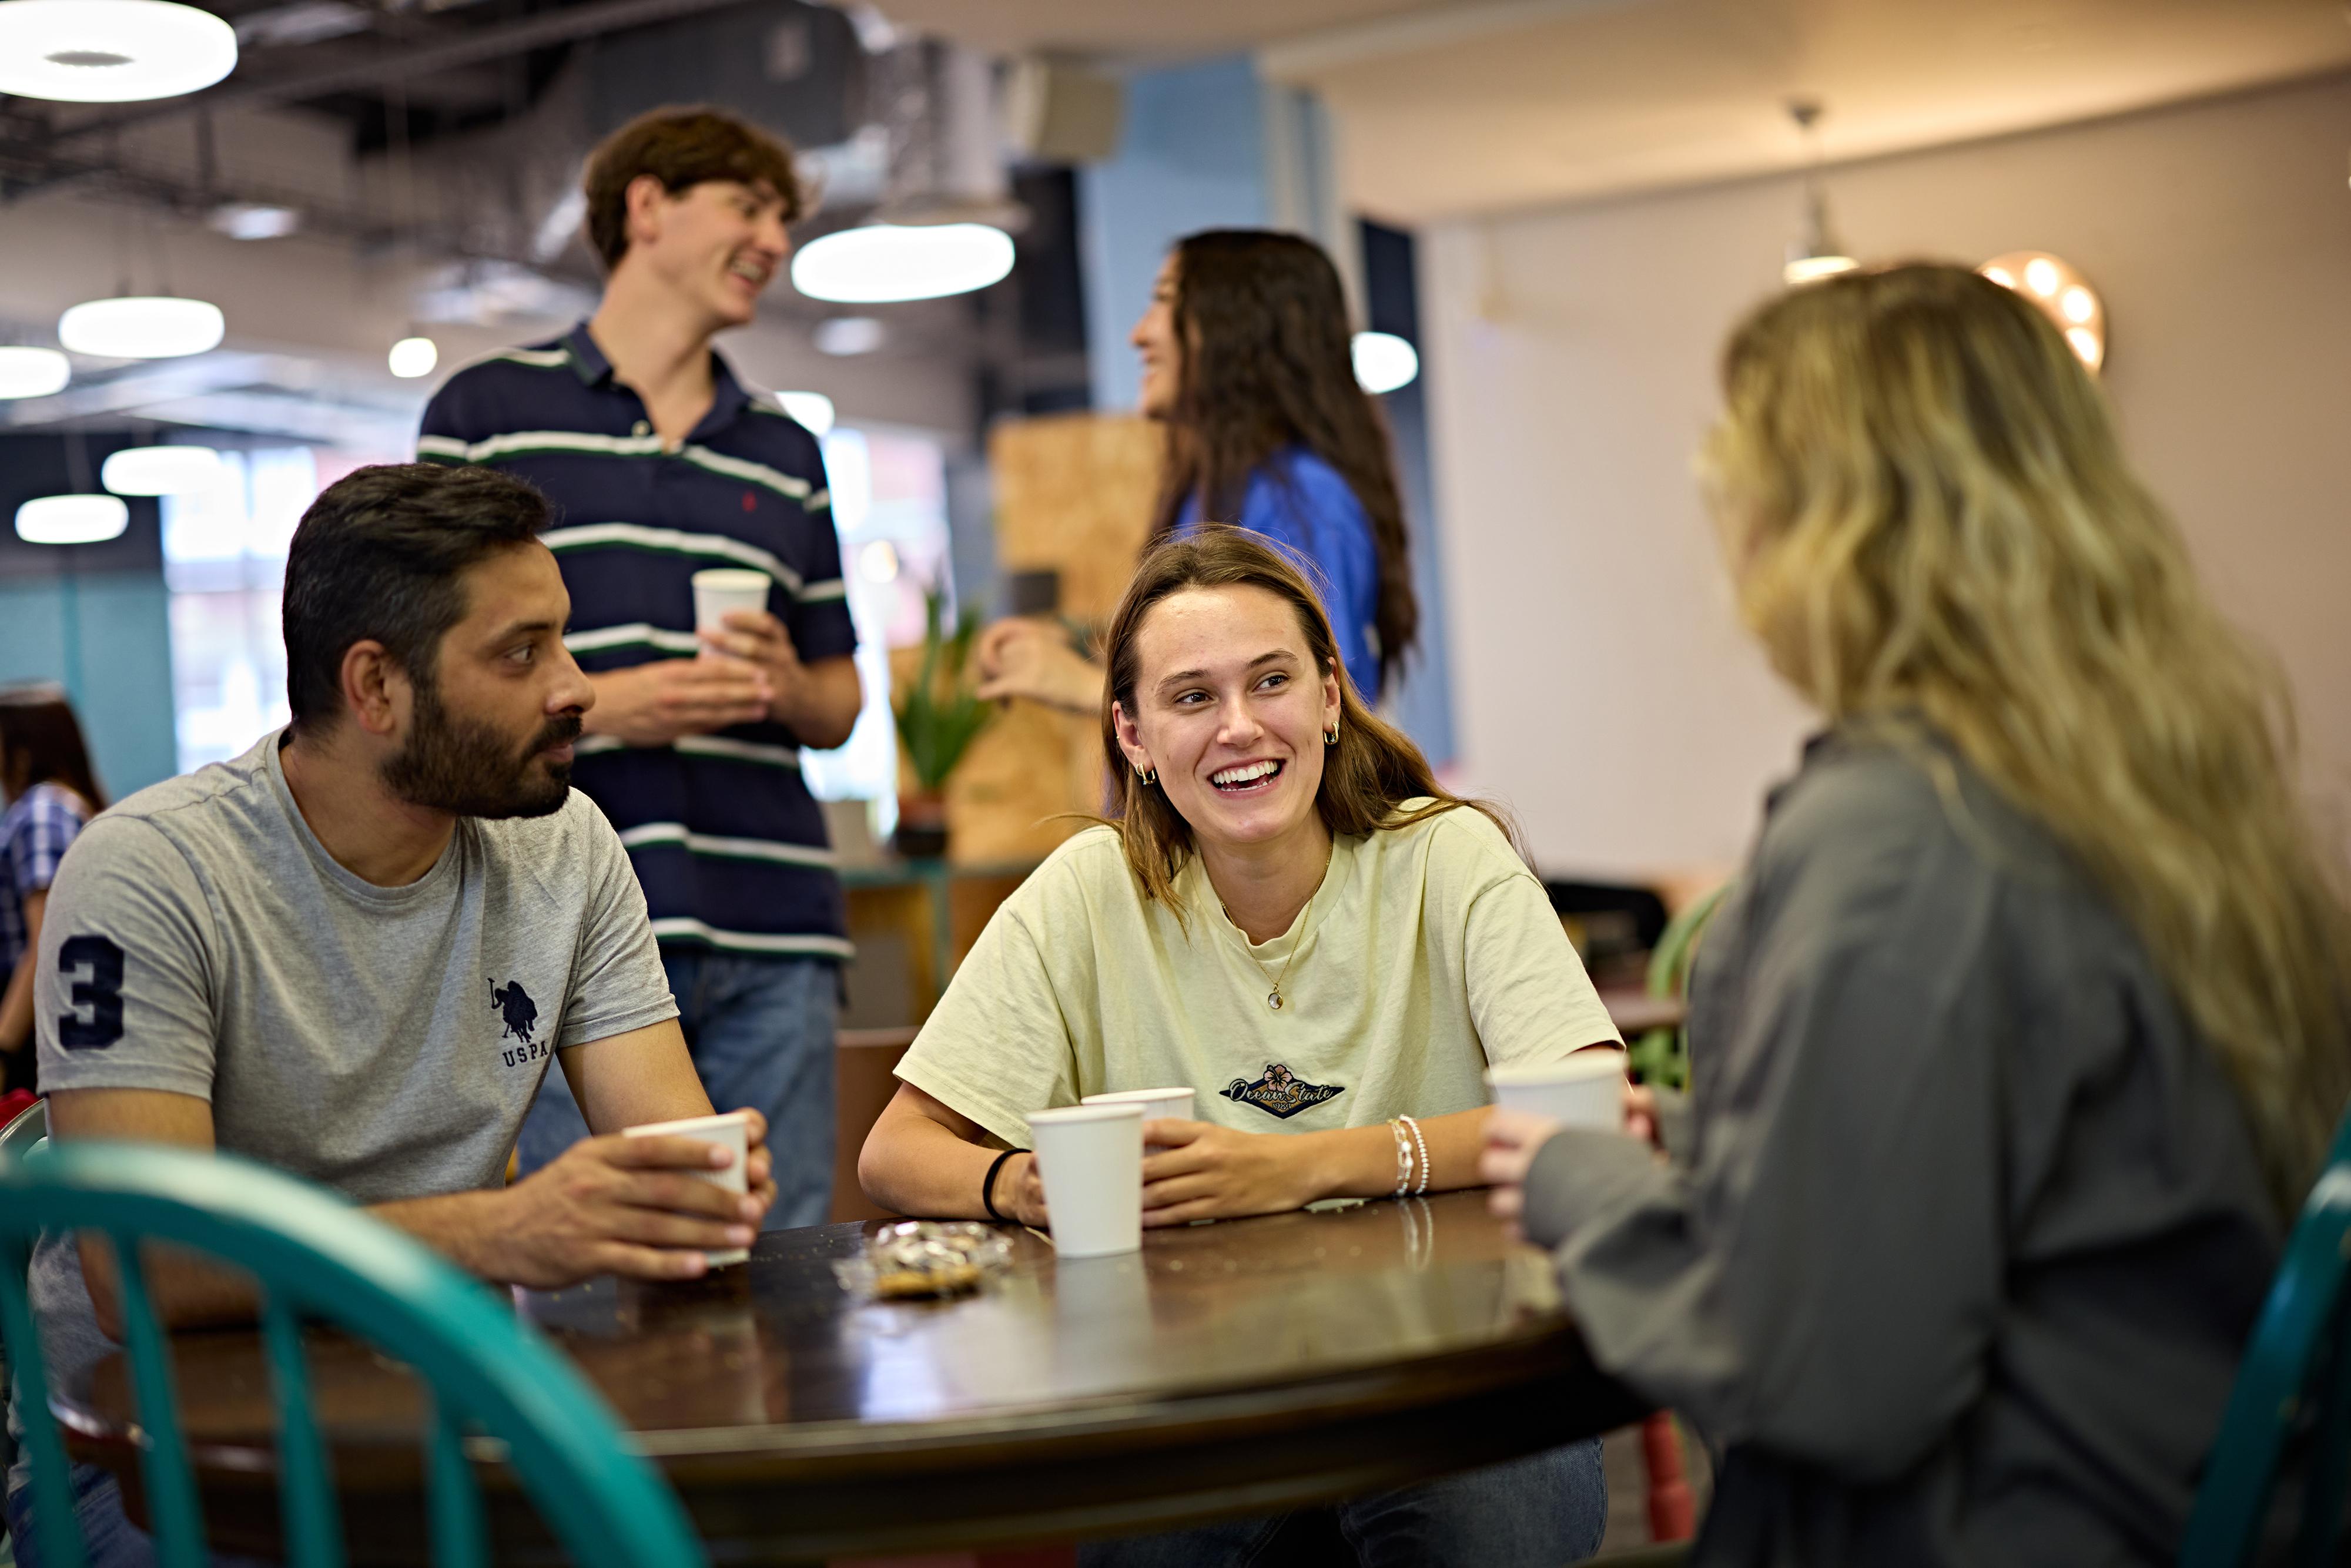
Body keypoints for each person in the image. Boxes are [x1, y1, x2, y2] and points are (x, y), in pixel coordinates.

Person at [1481, 264, 2351, 1566]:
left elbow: (1827, 1375)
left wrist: (1579, 1180)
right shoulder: (2157, 781)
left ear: (1817, 527)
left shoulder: (1901, 833)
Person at [5, 463, 779, 1568]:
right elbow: (148, 1274)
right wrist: (507, 1232)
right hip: (143, 1458)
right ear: (375, 686)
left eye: (563, 640)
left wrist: (697, 1192)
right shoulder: (150, 871)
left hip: (446, 1417)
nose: (577, 686)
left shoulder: (567, 847)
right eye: (521, 653)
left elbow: (671, 1149)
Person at [861, 527, 1619, 1566]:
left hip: (1457, 1371)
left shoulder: (1448, 855)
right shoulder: (1090, 889)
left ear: (1330, 697)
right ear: (1130, 735)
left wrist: (1296, 1166)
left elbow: (1589, 1107)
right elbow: (897, 1149)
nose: (1240, 726)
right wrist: (1029, 1185)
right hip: (1197, 1389)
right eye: (1191, 697)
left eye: (1272, 681)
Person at [418, 106, 860, 1229]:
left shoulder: (785, 449)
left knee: (785, 1263)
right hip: (556, 929)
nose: (775, 239)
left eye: (783, 219)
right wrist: (610, 707)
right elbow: (431, 674)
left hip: (774, 925)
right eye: (749, 207)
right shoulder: (485, 415)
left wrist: (785, 686)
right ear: (648, 208)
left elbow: (839, 697)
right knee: (601, 1275)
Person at [976, 229, 1416, 714]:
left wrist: (1079, 685)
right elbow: (1202, 645)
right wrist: (1078, 639)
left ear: (1237, 329)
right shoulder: (1219, 493)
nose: (1139, 334)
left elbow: (1306, 710)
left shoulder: (1303, 501)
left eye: (1164, 301)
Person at [0, 687, 103, 1097]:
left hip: (33, 1033)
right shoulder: (68, 805)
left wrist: (4, 1048)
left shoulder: (41, 811)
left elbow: (46, 939)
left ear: (23, 750)